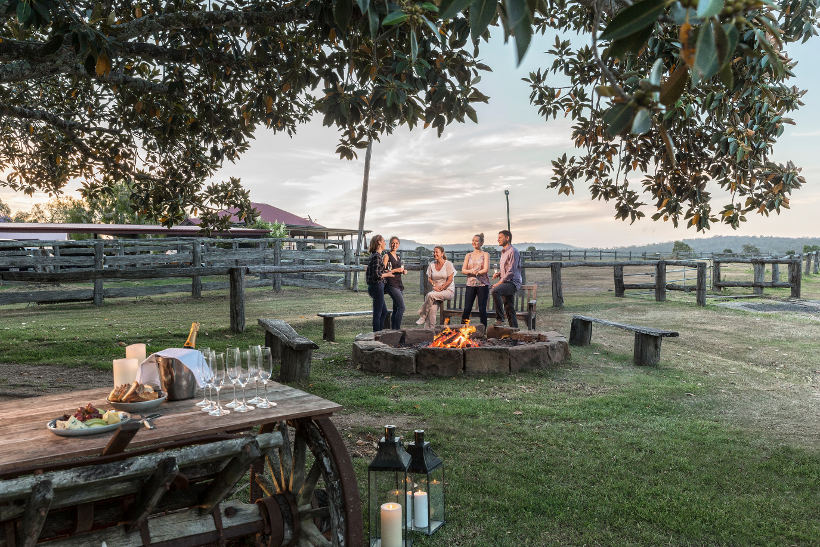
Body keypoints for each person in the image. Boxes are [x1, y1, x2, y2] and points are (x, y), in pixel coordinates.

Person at [416, 246, 455, 329]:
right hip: (437, 292)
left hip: (448, 291)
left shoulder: (448, 264)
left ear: (442, 253)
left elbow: (450, 280)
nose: (434, 254)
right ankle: (429, 332)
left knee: (430, 295)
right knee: (432, 310)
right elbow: (429, 278)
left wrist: (441, 288)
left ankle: (422, 315)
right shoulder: (432, 265)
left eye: (437, 252)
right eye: (434, 252)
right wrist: (434, 285)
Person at [490, 230, 522, 327]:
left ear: (507, 238)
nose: (498, 240)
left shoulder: (513, 251)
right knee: (509, 309)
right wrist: (499, 273)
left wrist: (499, 283)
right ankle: (514, 335)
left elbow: (511, 272)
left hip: (512, 283)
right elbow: (507, 269)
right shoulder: (503, 252)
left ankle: (500, 319)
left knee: (495, 291)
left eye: (500, 237)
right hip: (506, 282)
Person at [461, 233, 491, 327]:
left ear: (482, 243)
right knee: (467, 308)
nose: (474, 242)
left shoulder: (485, 254)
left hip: (482, 285)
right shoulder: (468, 255)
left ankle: (483, 331)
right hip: (470, 284)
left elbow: (486, 269)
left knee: (482, 309)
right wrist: (473, 272)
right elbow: (463, 270)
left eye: (476, 241)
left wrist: (474, 272)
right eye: (473, 240)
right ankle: (463, 330)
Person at [365, 235, 393, 332]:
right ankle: (376, 335)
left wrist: (387, 273)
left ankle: (379, 333)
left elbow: (377, 272)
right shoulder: (377, 256)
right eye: (384, 241)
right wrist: (388, 274)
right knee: (378, 313)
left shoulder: (376, 255)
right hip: (376, 286)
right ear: (379, 242)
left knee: (384, 312)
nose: (385, 243)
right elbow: (377, 275)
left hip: (376, 286)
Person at [382, 236, 407, 330]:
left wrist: (403, 271)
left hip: (399, 284)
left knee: (396, 308)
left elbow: (399, 270)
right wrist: (396, 270)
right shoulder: (386, 256)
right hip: (391, 284)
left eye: (396, 243)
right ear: (389, 244)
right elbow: (383, 271)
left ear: (399, 245)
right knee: (402, 307)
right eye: (393, 243)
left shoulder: (399, 257)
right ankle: (397, 330)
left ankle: (393, 331)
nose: (394, 245)